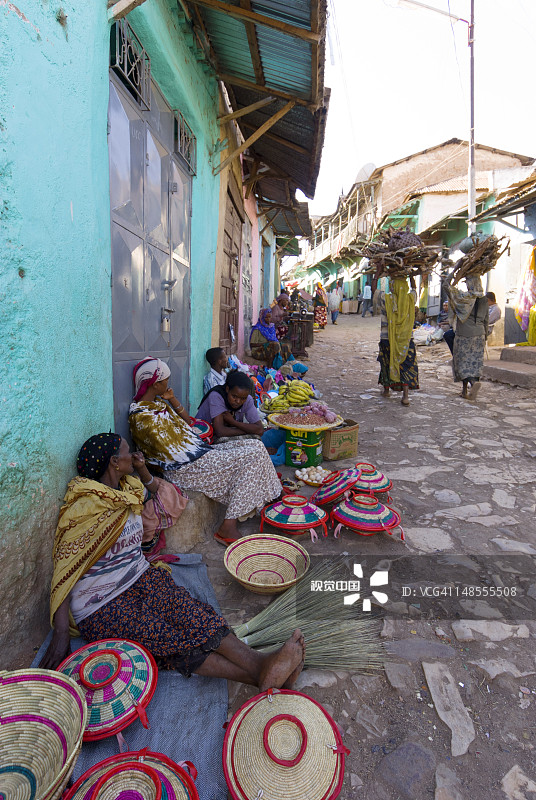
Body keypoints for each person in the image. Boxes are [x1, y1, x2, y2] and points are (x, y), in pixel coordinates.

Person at [39, 433, 305, 690]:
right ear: (114, 463)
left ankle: (261, 665)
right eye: (127, 452)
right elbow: (65, 573)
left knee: (192, 613)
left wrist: (143, 470)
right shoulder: (84, 510)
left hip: (139, 577)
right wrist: (61, 633)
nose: (134, 454)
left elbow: (164, 497)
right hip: (101, 603)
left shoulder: (128, 490)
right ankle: (260, 672)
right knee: (163, 637)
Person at [129, 358, 281, 545]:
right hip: (186, 467)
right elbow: (171, 456)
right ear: (157, 384)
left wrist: (173, 400)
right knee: (252, 456)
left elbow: (188, 423)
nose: (169, 383)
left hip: (198, 452)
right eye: (166, 380)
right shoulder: (142, 417)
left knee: (257, 446)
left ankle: (274, 494)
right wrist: (206, 452)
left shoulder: (158, 405)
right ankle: (228, 525)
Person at [444, 276, 489, 400]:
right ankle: (466, 391)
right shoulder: (484, 299)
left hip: (464, 333)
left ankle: (471, 385)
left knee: (461, 362)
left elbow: (446, 288)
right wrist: (485, 336)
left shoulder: (464, 298)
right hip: (480, 334)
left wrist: (451, 276)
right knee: (475, 363)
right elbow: (486, 319)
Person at [377, 277, 419, 406]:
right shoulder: (411, 299)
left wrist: (378, 274)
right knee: (406, 365)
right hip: (406, 339)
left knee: (386, 362)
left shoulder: (386, 299)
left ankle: (386, 390)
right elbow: (414, 289)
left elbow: (375, 290)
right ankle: (405, 396)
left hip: (387, 338)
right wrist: (411, 275)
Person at [197, 370, 263, 441]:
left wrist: (234, 422)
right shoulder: (216, 396)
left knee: (256, 441)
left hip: (227, 433)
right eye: (234, 396)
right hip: (204, 436)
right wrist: (248, 430)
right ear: (227, 389)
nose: (238, 401)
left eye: (243, 398)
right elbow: (220, 431)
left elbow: (259, 429)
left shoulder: (248, 399)